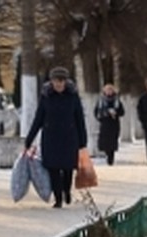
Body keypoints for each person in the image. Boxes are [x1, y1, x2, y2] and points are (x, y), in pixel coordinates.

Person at [24, 66, 88, 208]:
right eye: (56, 81)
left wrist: (83, 141)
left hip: (69, 138)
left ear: (66, 82)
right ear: (51, 81)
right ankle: (58, 198)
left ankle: (66, 190)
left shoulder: (73, 96)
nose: (58, 84)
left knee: (67, 168)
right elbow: (38, 119)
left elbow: (79, 119)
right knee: (53, 168)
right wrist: (29, 139)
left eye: (61, 81)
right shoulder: (46, 96)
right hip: (51, 138)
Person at [95, 83, 125, 166]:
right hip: (104, 124)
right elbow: (96, 112)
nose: (109, 92)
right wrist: (105, 114)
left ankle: (111, 159)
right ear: (104, 91)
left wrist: (116, 113)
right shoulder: (101, 101)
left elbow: (122, 112)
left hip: (114, 124)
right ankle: (107, 154)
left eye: (111, 90)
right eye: (107, 90)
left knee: (112, 142)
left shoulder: (117, 101)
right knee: (104, 142)